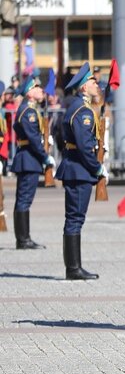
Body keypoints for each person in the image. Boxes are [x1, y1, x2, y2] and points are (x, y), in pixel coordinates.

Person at [55, 63, 104, 280]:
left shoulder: (75, 107)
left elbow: (60, 135)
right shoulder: (82, 111)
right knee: (75, 218)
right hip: (79, 169)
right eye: (93, 81)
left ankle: (74, 267)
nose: (96, 84)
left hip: (73, 166)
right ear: (84, 87)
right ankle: (73, 268)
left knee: (74, 218)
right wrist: (97, 167)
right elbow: (84, 146)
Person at [9, 74, 55, 249]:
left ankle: (23, 238)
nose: (41, 90)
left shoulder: (30, 109)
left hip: (28, 157)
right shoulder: (28, 112)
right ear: (29, 92)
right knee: (24, 200)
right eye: (36, 87)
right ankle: (23, 239)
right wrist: (45, 156)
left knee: (23, 199)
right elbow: (33, 139)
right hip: (29, 158)